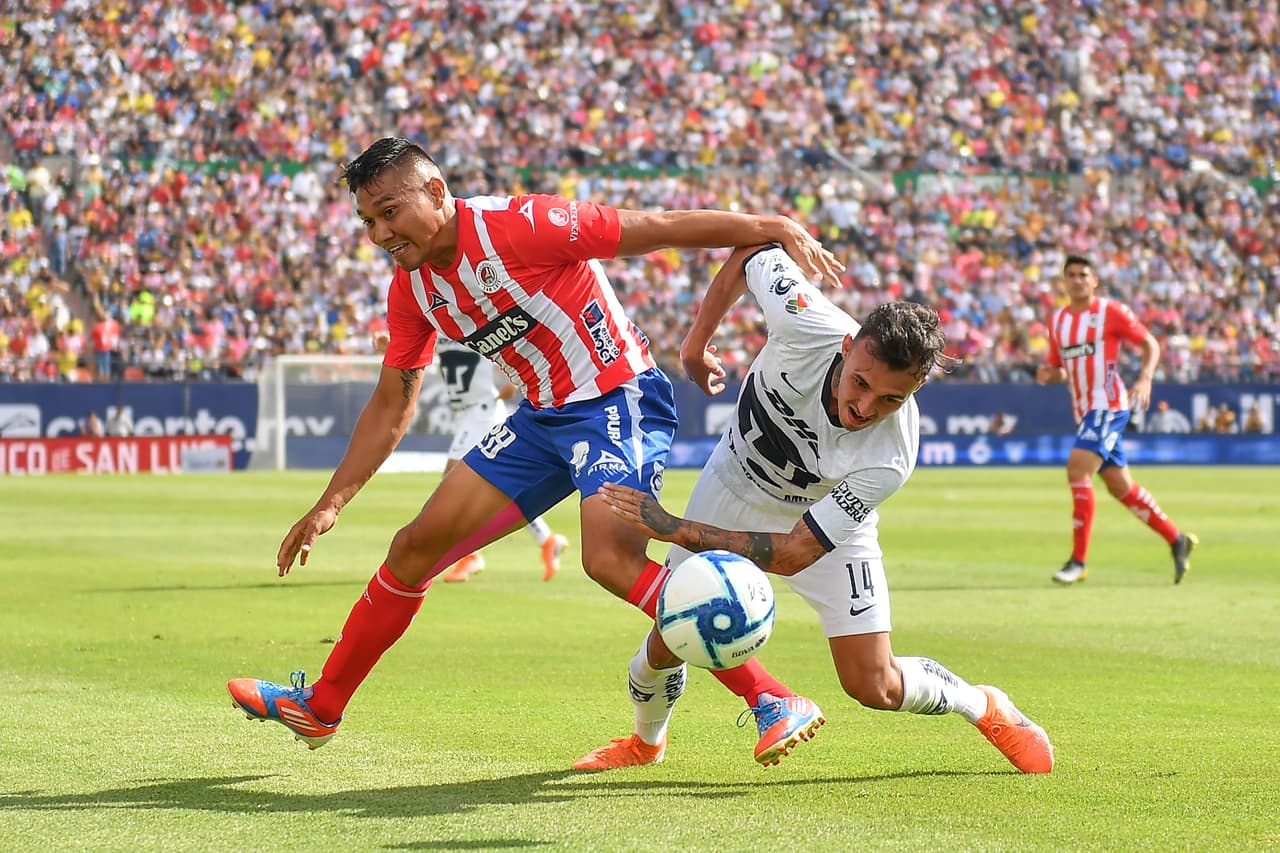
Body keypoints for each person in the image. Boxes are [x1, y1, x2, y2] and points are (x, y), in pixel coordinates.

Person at [226, 137, 844, 750]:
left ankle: (770, 697)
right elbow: (394, 401)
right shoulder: (411, 290)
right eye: (368, 221)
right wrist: (331, 502)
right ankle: (322, 707)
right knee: (413, 549)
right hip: (539, 421)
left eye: (390, 212)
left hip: (617, 398)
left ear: (436, 192)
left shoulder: (521, 224)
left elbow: (650, 227)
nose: (380, 233)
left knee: (608, 558)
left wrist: (768, 225)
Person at [574, 244, 1054, 774]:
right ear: (848, 347)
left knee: (873, 685)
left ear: (917, 389)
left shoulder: (891, 454)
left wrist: (672, 527)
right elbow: (751, 252)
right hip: (733, 485)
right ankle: (646, 743)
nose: (864, 409)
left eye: (891, 400)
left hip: (820, 524)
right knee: (672, 636)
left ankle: (983, 705)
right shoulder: (805, 319)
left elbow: (793, 553)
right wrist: (696, 343)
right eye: (862, 383)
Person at [1035, 255, 1197, 585]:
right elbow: (1059, 368)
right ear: (1064, 282)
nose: (1077, 280)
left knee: (1077, 469)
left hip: (1108, 404)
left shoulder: (1111, 312)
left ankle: (1078, 562)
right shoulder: (1058, 321)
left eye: (1083, 274)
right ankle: (1176, 538)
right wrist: (1047, 374)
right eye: (1071, 275)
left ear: (1095, 280)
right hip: (1084, 412)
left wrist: (1145, 378)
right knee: (1120, 487)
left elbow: (1149, 344)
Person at [374, 330, 570, 583]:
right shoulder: (440, 327)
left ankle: (471, 556)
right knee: (499, 488)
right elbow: (423, 350)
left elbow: (513, 345)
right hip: (468, 414)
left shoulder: (470, 325)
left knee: (452, 484)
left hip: (482, 412)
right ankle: (547, 539)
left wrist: (513, 383)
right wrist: (390, 346)